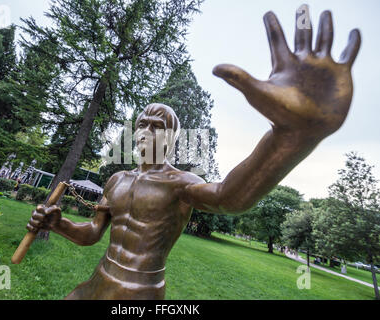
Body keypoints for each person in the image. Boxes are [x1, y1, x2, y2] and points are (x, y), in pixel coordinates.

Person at [26, 6, 361, 300]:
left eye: (156, 126)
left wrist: (294, 136)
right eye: (141, 124)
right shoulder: (116, 180)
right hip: (97, 281)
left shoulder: (181, 184)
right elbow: (92, 235)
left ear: (171, 139)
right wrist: (59, 224)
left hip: (138, 292)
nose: (145, 131)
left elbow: (230, 197)